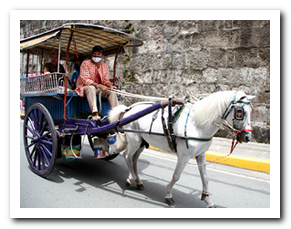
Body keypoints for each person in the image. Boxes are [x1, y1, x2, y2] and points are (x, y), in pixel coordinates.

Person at [75, 46, 118, 120]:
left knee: (111, 91)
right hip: (84, 87)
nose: (96, 56)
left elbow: (105, 80)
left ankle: (117, 114)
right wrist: (99, 85)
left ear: (102, 56)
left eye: (98, 54)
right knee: (91, 88)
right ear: (92, 55)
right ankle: (95, 113)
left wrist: (110, 85)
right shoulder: (85, 63)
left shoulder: (104, 66)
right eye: (94, 54)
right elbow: (85, 79)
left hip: (98, 89)